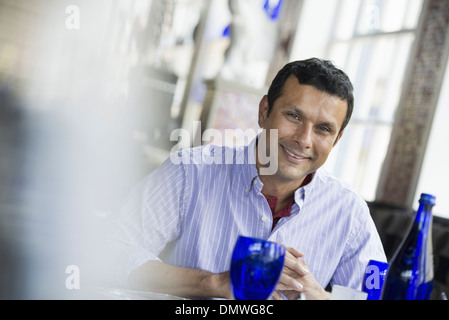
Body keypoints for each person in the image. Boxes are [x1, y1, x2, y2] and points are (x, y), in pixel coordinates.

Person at [108, 58, 386, 300]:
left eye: (323, 129)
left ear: (336, 140)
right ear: (264, 111)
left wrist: (318, 297)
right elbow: (111, 251)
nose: (303, 139)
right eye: (293, 115)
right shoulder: (189, 171)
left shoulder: (350, 214)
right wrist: (215, 283)